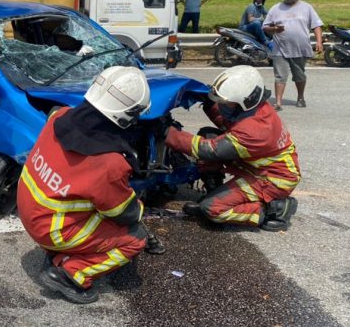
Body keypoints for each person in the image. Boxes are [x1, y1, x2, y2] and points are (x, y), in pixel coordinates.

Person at [17, 66, 152, 304]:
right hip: (51, 230)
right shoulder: (109, 163)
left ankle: (61, 254)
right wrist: (139, 207)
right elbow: (123, 213)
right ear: (127, 114)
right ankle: (71, 274)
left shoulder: (60, 116)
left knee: (89, 205)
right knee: (135, 238)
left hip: (29, 207)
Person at [164, 65, 300, 232]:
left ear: (245, 101)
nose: (222, 105)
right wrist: (209, 101)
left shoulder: (254, 130)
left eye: (226, 103)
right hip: (256, 165)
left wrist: (166, 133)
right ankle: (214, 190)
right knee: (209, 134)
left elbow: (207, 150)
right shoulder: (253, 108)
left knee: (212, 209)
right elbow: (227, 122)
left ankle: (272, 209)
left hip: (273, 179)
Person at [262, 0, 323, 110]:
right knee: (280, 75)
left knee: (299, 75)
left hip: (300, 48)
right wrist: (274, 29)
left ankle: (300, 97)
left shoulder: (306, 7)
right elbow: (265, 27)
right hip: (280, 48)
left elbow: (316, 25)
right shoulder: (276, 8)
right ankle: (278, 102)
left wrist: (319, 42)